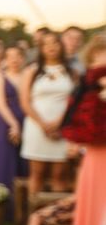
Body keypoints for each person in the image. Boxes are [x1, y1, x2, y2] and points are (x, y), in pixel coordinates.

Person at [63, 35, 106, 225]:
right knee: (94, 212)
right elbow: (79, 121)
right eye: (98, 58)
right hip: (95, 156)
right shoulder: (87, 87)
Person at [19, 31, 76, 197]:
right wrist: (43, 124)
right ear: (41, 48)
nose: (51, 47)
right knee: (37, 173)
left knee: (60, 174)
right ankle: (33, 217)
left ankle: (55, 219)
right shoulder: (32, 71)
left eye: (55, 43)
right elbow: (25, 101)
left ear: (61, 46)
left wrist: (59, 122)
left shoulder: (72, 72)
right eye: (46, 44)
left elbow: (75, 102)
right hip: (36, 127)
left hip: (63, 127)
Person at [0, 46, 28, 217]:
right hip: (5, 122)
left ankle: (22, 208)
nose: (14, 60)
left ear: (23, 58)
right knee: (4, 161)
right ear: (5, 59)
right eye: (10, 56)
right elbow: (0, 104)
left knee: (23, 162)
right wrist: (14, 125)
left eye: (18, 56)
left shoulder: (27, 75)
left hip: (26, 120)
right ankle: (3, 208)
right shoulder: (0, 77)